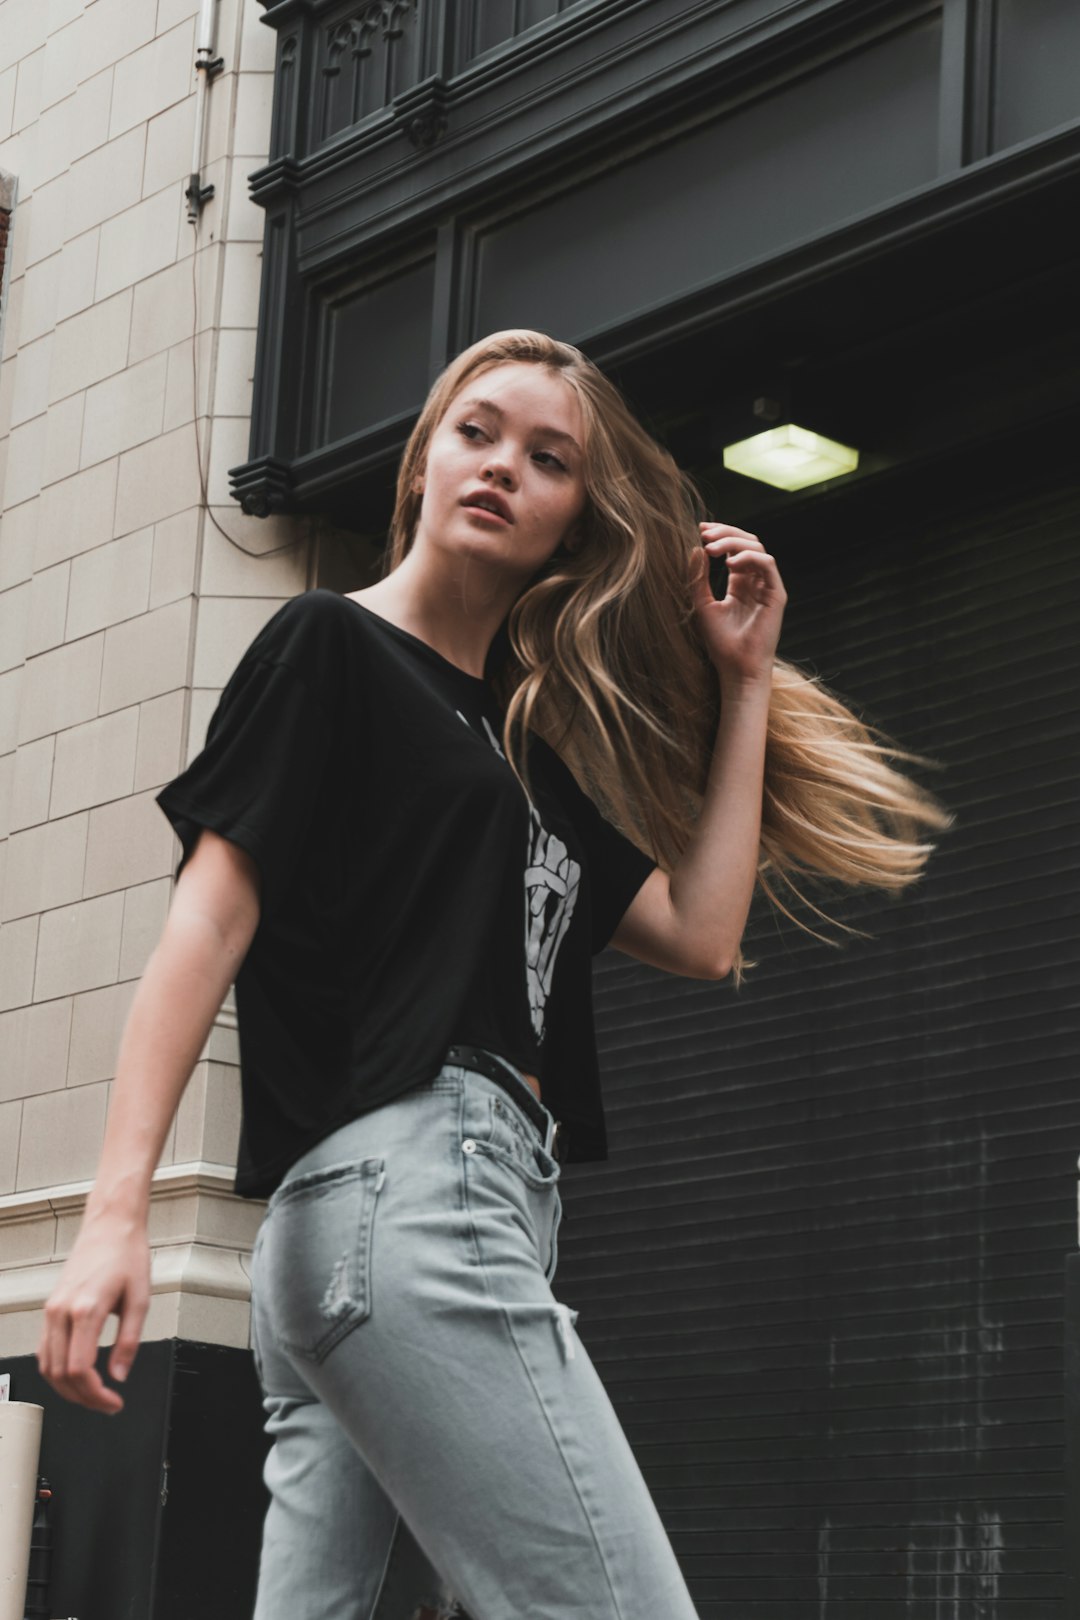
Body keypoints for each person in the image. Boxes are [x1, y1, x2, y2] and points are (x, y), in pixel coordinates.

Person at [37, 329, 947, 1619]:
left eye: (548, 458)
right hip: (412, 1200)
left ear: (575, 525)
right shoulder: (327, 647)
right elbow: (211, 918)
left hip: (371, 1235)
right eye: (476, 432)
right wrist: (115, 1215)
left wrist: (744, 686)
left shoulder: (521, 751)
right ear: (421, 461)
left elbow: (700, 930)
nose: (502, 466)